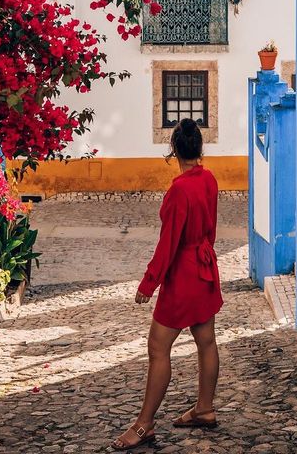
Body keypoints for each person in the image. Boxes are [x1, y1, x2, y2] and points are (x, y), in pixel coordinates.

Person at [111, 118, 224, 451]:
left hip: (185, 273)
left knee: (158, 348)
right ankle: (204, 408)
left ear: (173, 149)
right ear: (200, 148)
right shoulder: (210, 180)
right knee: (206, 340)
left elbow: (169, 243)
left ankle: (144, 425)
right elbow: (212, 228)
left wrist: (148, 283)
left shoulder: (179, 189)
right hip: (206, 267)